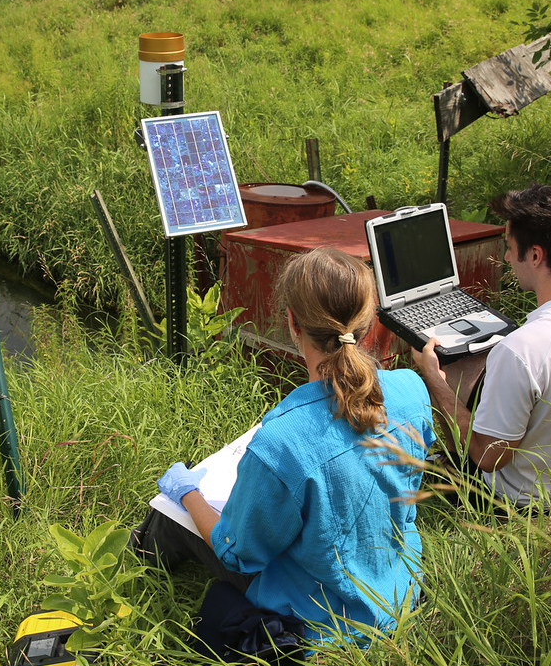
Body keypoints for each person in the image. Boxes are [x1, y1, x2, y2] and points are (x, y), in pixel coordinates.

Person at [134, 247, 435, 643]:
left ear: (292, 322)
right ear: (367, 323)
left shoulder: (281, 440)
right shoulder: (412, 390)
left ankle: (132, 583)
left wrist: (188, 494)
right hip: (399, 591)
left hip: (322, 621)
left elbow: (238, 554)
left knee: (170, 515)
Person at [412, 184, 551, 511]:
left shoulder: (521, 349)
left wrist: (434, 380)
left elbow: (489, 458)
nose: (505, 257)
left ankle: (453, 468)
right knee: (481, 361)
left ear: (534, 255)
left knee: (445, 369)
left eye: (510, 247)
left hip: (522, 502)